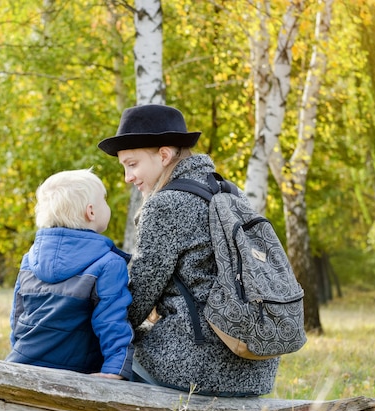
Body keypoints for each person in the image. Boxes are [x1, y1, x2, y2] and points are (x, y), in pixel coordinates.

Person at [97, 104, 279, 396]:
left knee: (104, 350)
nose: (127, 178)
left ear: (164, 155)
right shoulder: (229, 191)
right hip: (255, 362)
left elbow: (139, 295)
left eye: (132, 164)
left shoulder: (165, 204)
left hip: (199, 365)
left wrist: (98, 330)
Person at [6, 168, 135, 380]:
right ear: (91, 212)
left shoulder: (29, 259)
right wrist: (115, 370)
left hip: (21, 365)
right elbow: (112, 323)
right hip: (76, 374)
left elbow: (18, 317)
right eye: (104, 200)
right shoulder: (108, 264)